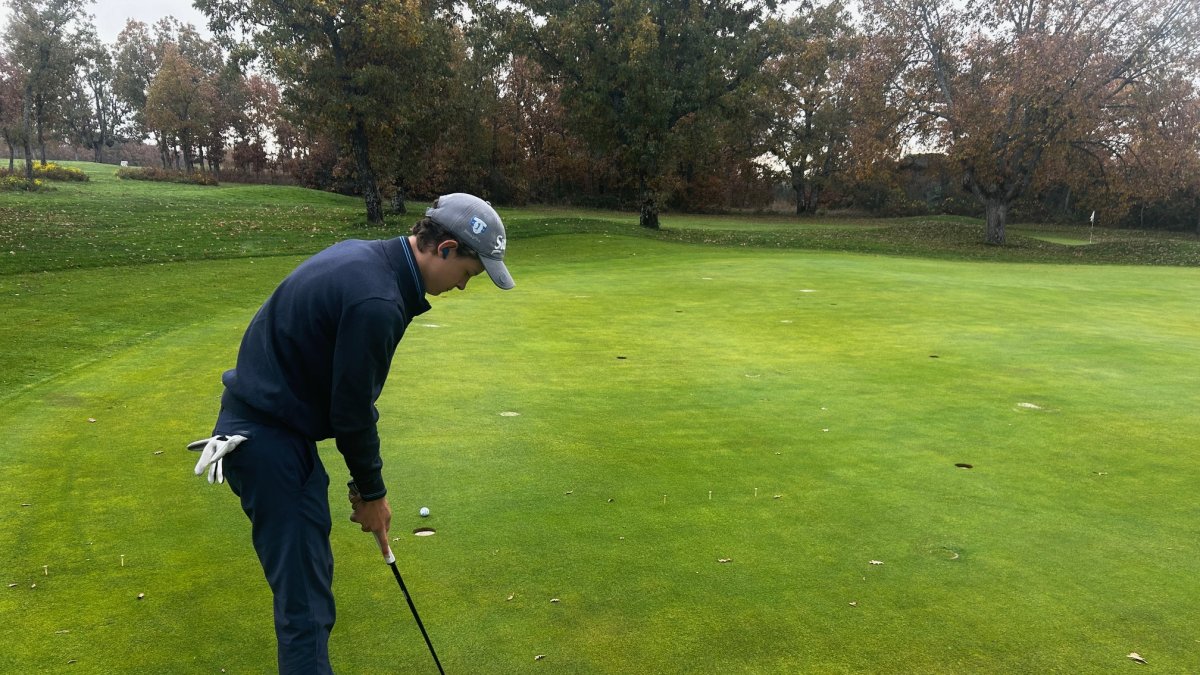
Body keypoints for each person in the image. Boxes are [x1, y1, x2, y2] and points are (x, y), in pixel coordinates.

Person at [188, 193, 513, 673]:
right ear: (445, 249)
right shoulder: (377, 300)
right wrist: (373, 493)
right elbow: (353, 412)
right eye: (468, 272)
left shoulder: (367, 259)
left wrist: (365, 487)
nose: (464, 285)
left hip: (275, 429)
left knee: (309, 593)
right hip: (266, 441)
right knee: (305, 610)